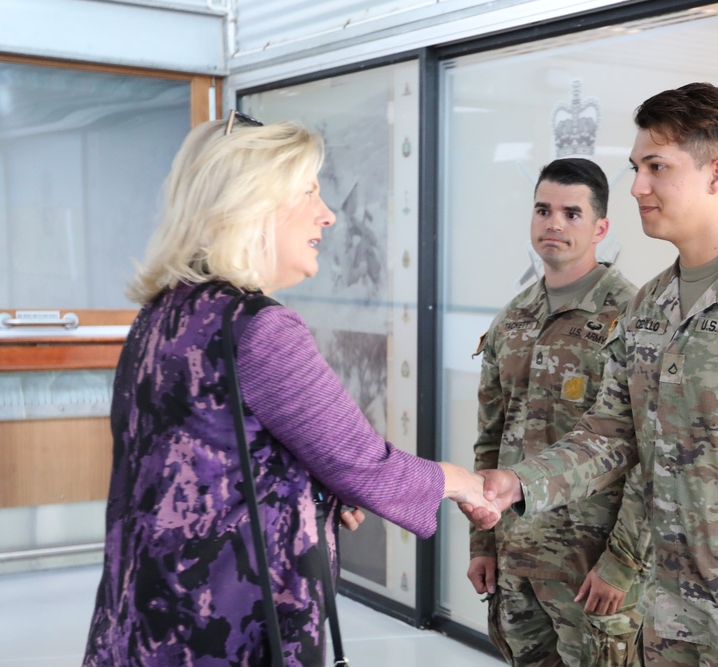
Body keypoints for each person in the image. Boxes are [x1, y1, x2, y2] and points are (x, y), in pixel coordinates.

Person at [466, 82, 718, 666]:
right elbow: (609, 434)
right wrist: (520, 483)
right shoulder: (650, 306)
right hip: (665, 616)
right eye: (636, 167)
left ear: (717, 174)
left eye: (656, 167)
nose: (637, 187)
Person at [83, 113, 496, 665]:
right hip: (229, 623)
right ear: (254, 207)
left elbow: (216, 459)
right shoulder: (258, 327)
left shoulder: (161, 314)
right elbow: (361, 462)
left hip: (150, 611)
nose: (327, 215)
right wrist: (460, 481)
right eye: (308, 192)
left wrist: (319, 492)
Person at [468, 158, 643, 666]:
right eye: (543, 210)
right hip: (517, 555)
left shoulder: (632, 318)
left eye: (571, 213)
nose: (554, 224)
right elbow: (490, 439)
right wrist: (483, 542)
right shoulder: (513, 319)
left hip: (589, 566)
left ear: (600, 227)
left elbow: (649, 456)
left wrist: (623, 564)